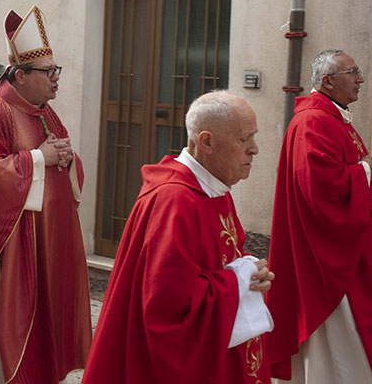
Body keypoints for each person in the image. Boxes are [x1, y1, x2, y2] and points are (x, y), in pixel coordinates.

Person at [82, 91, 274, 384]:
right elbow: (167, 308)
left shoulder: (213, 188)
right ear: (207, 142)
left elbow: (221, 260)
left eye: (253, 137)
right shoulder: (175, 201)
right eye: (244, 139)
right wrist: (238, 280)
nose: (255, 149)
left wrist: (250, 272)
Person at [0, 5, 91, 384]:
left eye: (56, 71)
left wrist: (66, 158)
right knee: (13, 324)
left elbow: (61, 160)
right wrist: (38, 158)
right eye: (48, 73)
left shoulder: (44, 111)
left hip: (48, 240)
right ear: (19, 74)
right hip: (12, 247)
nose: (55, 80)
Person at [266, 50, 372, 384]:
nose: (360, 79)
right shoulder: (314, 121)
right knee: (344, 345)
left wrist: (368, 170)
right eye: (353, 72)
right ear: (327, 81)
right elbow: (318, 188)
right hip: (332, 262)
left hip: (349, 251)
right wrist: (363, 171)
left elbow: (339, 171)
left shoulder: (331, 117)